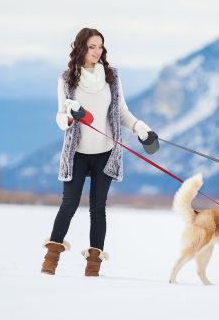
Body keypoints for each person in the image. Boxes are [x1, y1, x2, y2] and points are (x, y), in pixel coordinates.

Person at [41, 28, 156, 277]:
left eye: (100, 46)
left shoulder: (112, 78)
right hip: (77, 153)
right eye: (92, 46)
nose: (97, 51)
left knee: (98, 208)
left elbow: (121, 112)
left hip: (105, 152)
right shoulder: (67, 79)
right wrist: (71, 117)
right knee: (69, 204)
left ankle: (93, 266)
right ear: (81, 48)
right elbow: (61, 116)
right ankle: (50, 260)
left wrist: (140, 128)